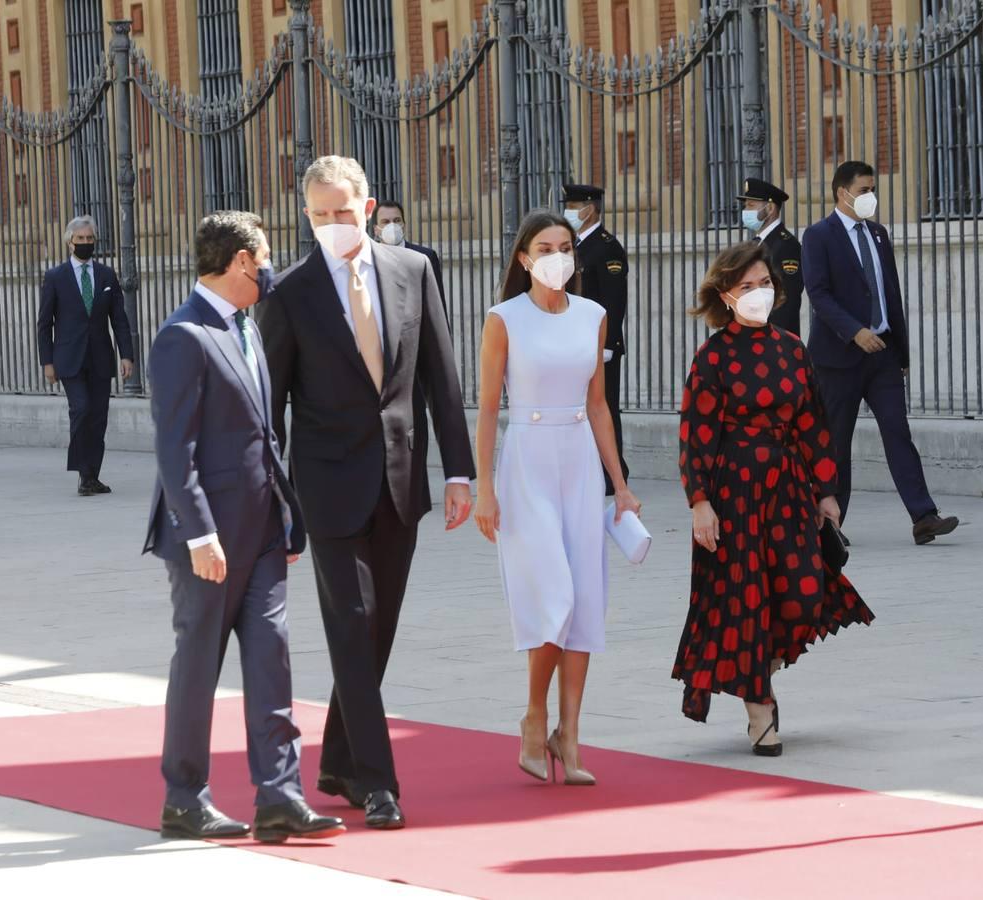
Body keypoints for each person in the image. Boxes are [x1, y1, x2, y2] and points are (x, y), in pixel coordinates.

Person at [258, 156, 474, 830]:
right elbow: (270, 407)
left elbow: (440, 376)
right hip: (325, 487)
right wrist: (277, 499)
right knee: (350, 622)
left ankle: (338, 763)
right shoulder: (288, 294)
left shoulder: (412, 271)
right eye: (319, 215)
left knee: (376, 629)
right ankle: (379, 783)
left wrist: (460, 472)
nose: (332, 225)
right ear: (305, 215)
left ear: (369, 206)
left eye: (343, 213)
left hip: (401, 479)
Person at [142, 211, 344, 844]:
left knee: (271, 661)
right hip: (208, 540)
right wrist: (200, 535)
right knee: (198, 666)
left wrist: (284, 516)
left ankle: (280, 797)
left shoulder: (247, 326)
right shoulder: (185, 335)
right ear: (239, 263)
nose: (270, 269)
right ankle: (184, 797)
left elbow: (264, 435)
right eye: (263, 258)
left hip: (260, 534)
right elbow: (176, 449)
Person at [673, 241, 874, 754]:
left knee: (805, 590)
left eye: (765, 284)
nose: (759, 293)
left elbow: (814, 421)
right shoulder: (712, 356)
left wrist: (826, 491)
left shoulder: (791, 348)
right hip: (733, 490)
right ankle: (760, 711)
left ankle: (758, 670)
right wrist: (700, 501)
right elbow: (696, 433)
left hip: (787, 488)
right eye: (747, 287)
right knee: (746, 602)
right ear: (725, 295)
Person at [473, 209, 640, 786]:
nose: (558, 256)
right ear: (523, 258)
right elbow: (489, 406)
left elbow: (598, 405)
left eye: (565, 246)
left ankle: (569, 735)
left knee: (585, 599)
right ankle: (534, 716)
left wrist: (619, 485)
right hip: (527, 465)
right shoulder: (504, 319)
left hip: (579, 464)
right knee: (554, 596)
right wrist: (484, 488)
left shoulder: (593, 315)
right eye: (545, 247)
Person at [801, 161, 960, 545]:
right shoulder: (818, 236)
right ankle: (830, 525)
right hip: (838, 357)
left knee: (897, 431)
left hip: (883, 355)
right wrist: (854, 331)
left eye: (873, 188)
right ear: (843, 192)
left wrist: (901, 353)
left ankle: (923, 515)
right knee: (837, 441)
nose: (871, 196)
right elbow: (818, 293)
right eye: (864, 189)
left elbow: (891, 293)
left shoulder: (878, 234)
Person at [36, 216, 135, 496]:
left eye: (90, 239)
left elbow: (119, 318)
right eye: (81, 239)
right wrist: (47, 362)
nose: (86, 244)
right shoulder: (55, 277)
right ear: (70, 242)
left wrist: (126, 355)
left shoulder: (106, 275)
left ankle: (92, 475)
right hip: (69, 358)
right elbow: (45, 323)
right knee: (81, 409)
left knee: (98, 416)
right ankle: (83, 472)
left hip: (100, 357)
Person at [563, 183, 630, 493]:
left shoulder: (607, 246)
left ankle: (612, 473)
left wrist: (608, 344)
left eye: (575, 205)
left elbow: (615, 300)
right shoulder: (573, 245)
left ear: (590, 209)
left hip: (599, 345)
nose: (570, 211)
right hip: (574, 343)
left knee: (604, 407)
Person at [738, 177, 804, 336]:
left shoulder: (786, 245)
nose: (746, 210)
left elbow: (787, 301)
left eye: (751, 205)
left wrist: (773, 341)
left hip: (774, 340)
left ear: (770, 208)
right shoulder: (757, 243)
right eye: (746, 205)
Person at [374, 199, 446, 310]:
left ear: (404, 225)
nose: (392, 226)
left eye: (397, 220)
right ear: (376, 230)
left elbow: (437, 305)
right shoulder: (369, 259)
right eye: (385, 222)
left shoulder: (425, 256)